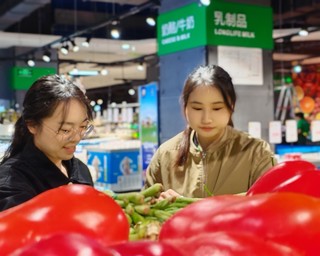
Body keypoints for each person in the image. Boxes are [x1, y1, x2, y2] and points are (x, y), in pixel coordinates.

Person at [144, 65, 276, 199]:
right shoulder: (165, 154)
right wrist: (158, 205)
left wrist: (187, 206)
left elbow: (270, 204)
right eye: (197, 108)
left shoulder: (256, 152)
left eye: (217, 108)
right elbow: (145, 209)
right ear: (185, 108)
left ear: (231, 107)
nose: (206, 119)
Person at [0, 75, 94, 211]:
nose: (77, 138)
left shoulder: (80, 170)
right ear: (32, 125)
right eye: (65, 130)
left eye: (83, 127)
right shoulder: (11, 184)